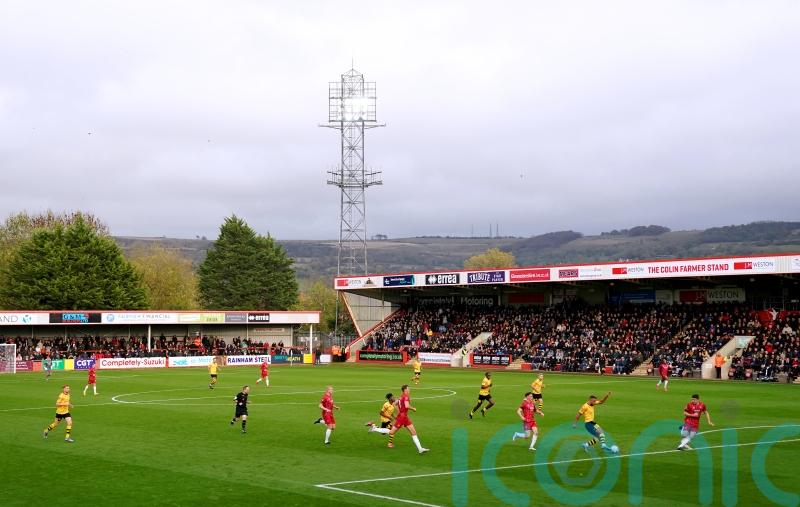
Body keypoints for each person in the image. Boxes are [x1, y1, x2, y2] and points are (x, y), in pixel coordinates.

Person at [387, 384, 429, 453]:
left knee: (414, 432)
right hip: (402, 418)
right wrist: (413, 408)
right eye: (408, 388)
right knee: (391, 432)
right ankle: (375, 428)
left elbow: (394, 403)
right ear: (405, 390)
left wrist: (399, 410)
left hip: (405, 417)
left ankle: (420, 449)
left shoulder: (401, 396)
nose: (409, 390)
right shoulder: (406, 396)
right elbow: (407, 406)